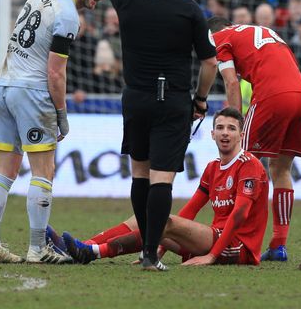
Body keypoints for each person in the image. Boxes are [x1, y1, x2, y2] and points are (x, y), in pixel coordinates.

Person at [103, 0, 218, 271]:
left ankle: (145, 253)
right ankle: (151, 254)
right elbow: (210, 62)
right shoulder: (189, 9)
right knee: (161, 178)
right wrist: (200, 100)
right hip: (172, 101)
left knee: (139, 174)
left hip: (135, 99)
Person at [0, 0, 107, 265]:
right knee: (43, 170)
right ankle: (38, 248)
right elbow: (55, 73)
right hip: (32, 93)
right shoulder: (69, 17)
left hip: (4, 87)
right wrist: (62, 114)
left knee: (4, 171)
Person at [57, 107, 268, 266]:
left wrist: (211, 256)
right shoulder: (213, 167)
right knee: (143, 217)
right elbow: (191, 210)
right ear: (212, 134)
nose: (225, 133)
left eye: (231, 129)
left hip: (238, 247)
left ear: (241, 136)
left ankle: (93, 252)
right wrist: (159, 247)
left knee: (164, 221)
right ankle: (79, 247)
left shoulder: (249, 165)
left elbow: (240, 213)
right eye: (220, 128)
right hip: (214, 239)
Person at [207, 16, 301, 262]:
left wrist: (233, 123)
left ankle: (231, 238)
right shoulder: (264, 31)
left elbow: (231, 82)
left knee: (240, 163)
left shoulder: (219, 38)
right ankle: (278, 245)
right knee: (281, 168)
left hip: (271, 97)